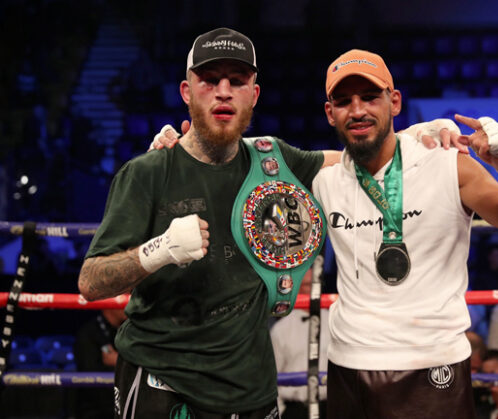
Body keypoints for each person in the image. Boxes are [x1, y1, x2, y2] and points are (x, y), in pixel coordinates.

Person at [80, 28, 461, 418]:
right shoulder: (148, 173)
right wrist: (157, 251)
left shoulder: (274, 162)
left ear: (254, 94)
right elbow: (91, 282)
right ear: (186, 91)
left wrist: (412, 137)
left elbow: (355, 159)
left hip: (252, 391)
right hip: (164, 384)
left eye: (238, 81)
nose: (224, 91)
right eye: (210, 80)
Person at [311, 49, 498, 418]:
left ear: (394, 102)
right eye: (344, 101)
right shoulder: (326, 175)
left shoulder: (447, 164)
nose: (358, 110)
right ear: (330, 113)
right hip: (348, 365)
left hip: (433, 366)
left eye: (370, 97)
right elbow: (258, 159)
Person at [270, 269, 329, 418]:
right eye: (306, 285)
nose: (311, 290)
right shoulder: (281, 329)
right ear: (297, 289)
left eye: (314, 285)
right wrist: (281, 411)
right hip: (295, 409)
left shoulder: (334, 322)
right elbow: (272, 375)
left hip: (329, 407)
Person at [74, 308, 127, 419]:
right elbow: (88, 377)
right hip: (95, 409)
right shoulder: (89, 333)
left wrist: (118, 361)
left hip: (124, 405)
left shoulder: (130, 332)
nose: (127, 303)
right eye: (122, 297)